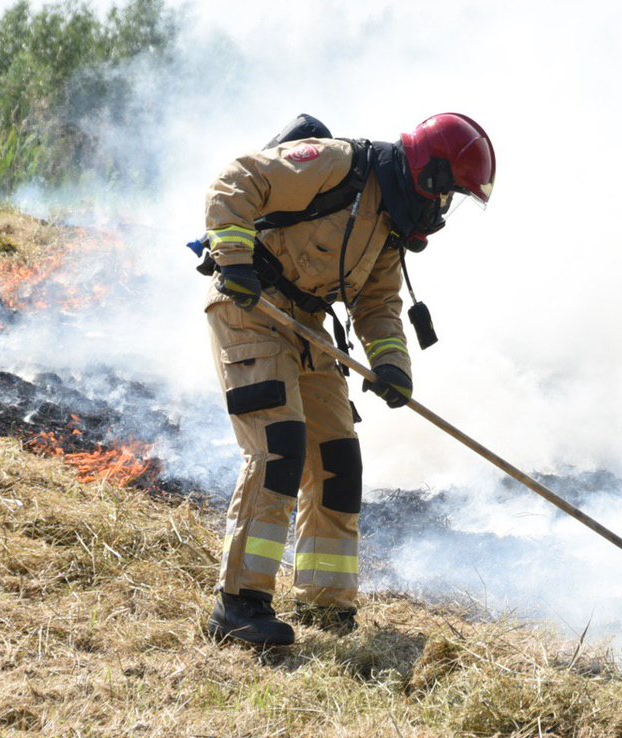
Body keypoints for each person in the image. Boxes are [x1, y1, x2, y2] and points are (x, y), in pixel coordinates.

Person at [201, 113, 495, 646]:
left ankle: (326, 604)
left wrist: (392, 366)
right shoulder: (338, 165)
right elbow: (239, 179)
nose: (443, 209)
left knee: (337, 459)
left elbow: (378, 302)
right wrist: (235, 258)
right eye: (447, 194)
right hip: (251, 308)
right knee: (279, 446)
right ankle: (239, 604)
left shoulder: (387, 228)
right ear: (428, 177)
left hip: (307, 328)